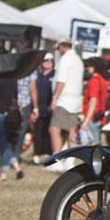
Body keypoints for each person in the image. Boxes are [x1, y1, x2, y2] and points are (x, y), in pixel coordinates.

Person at [48, 38, 84, 171]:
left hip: (64, 99)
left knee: (54, 129)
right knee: (71, 130)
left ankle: (56, 160)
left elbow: (61, 81)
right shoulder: (78, 60)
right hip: (75, 100)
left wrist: (54, 98)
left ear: (62, 46)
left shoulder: (65, 60)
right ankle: (70, 159)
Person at [0, 77, 25, 180]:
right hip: (9, 114)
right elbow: (16, 96)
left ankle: (3, 173)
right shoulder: (13, 79)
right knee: (4, 143)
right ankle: (16, 167)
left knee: (2, 144)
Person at [79, 57, 110, 146]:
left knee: (92, 148)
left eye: (90, 66)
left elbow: (93, 100)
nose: (88, 68)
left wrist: (85, 121)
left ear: (95, 67)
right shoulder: (103, 81)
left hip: (91, 118)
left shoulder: (93, 81)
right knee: (95, 145)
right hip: (100, 117)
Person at [32, 53, 55, 164]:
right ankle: (37, 154)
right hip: (39, 109)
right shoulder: (38, 76)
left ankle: (49, 155)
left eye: (50, 60)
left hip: (50, 109)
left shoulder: (55, 75)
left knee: (49, 133)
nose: (48, 62)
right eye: (46, 60)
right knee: (38, 132)